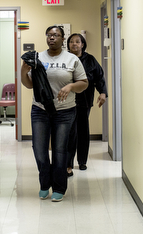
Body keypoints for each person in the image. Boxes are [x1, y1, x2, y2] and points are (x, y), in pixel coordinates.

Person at [21, 26, 88, 202]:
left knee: (60, 150)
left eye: (56, 35)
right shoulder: (38, 58)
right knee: (39, 150)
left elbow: (84, 83)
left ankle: (59, 187)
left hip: (65, 111)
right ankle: (44, 184)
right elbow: (28, 84)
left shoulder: (71, 59)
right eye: (49, 35)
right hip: (40, 110)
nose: (52, 38)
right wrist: (23, 70)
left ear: (62, 38)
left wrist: (70, 86)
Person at [66, 33, 107, 175]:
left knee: (82, 131)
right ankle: (68, 163)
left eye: (77, 41)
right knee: (70, 133)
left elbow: (99, 76)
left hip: (84, 101)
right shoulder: (65, 59)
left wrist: (103, 93)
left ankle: (82, 161)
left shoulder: (90, 60)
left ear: (82, 44)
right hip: (67, 102)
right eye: (71, 42)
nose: (74, 44)